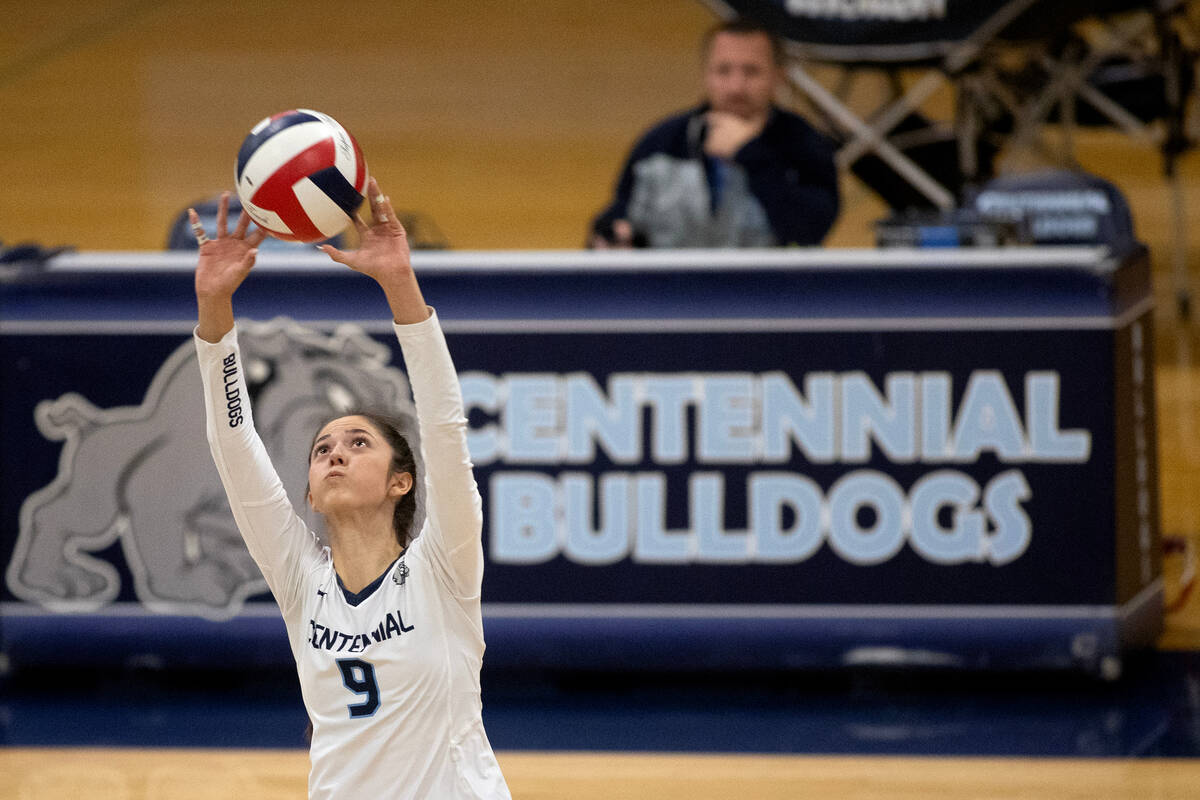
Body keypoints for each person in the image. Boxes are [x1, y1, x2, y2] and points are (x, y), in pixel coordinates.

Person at [190, 180, 511, 799]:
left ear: (402, 482)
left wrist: (399, 284)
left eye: (358, 443)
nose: (334, 451)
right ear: (309, 493)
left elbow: (444, 423)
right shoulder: (298, 580)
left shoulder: (444, 563)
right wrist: (214, 311)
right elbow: (233, 445)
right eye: (322, 449)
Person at [590, 19, 839, 248]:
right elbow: (620, 217)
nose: (736, 87)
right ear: (706, 75)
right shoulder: (662, 142)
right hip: (673, 291)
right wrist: (611, 234)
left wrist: (751, 154)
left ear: (778, 77)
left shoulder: (803, 142)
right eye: (723, 71)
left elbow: (812, 230)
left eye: (751, 71)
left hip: (768, 291)